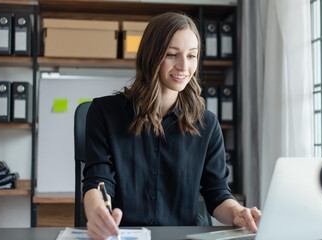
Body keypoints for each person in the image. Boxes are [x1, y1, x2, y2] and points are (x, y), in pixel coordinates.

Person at [83, 12, 261, 240]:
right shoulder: (104, 113)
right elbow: (98, 181)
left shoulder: (207, 123)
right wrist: (98, 213)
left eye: (192, 56)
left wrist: (238, 213)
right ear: (151, 55)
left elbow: (217, 194)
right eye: (172, 54)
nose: (184, 66)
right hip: (123, 235)